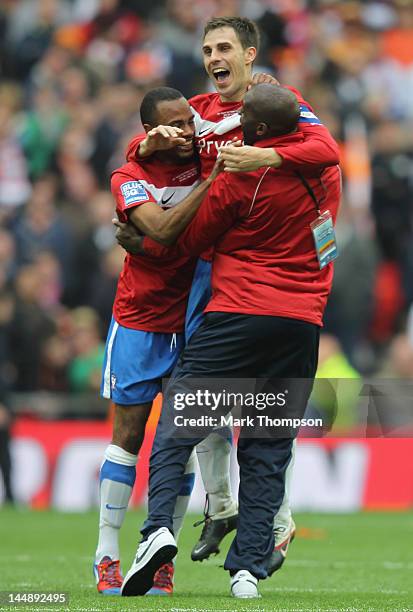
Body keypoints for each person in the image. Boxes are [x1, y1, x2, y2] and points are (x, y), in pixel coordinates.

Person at [117, 15, 340, 573]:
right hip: (221, 277)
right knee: (229, 408)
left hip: (231, 272)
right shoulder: (199, 110)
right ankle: (225, 507)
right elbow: (147, 148)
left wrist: (266, 156)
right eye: (207, 49)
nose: (215, 58)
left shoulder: (276, 100)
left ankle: (273, 517)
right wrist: (146, 140)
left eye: (224, 48)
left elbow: (325, 148)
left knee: (223, 406)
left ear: (250, 54)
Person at [94, 86, 236, 597]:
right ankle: (106, 553)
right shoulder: (128, 177)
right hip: (140, 317)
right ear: (151, 128)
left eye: (190, 120)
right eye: (173, 124)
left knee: (181, 441)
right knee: (129, 436)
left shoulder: (201, 152)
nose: (187, 131)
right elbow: (164, 231)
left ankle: (160, 558)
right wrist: (210, 180)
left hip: (195, 322)